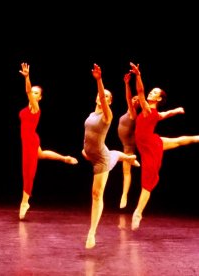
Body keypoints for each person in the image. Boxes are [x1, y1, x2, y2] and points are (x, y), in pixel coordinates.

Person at [129, 62, 199, 231]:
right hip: (150, 143)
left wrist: (138, 76)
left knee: (147, 182)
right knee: (178, 141)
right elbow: (166, 113)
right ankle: (197, 138)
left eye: (154, 92)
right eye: (151, 91)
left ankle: (138, 212)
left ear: (158, 99)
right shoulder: (154, 112)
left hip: (149, 148)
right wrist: (178, 110)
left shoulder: (148, 109)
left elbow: (140, 91)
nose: (150, 93)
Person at [82, 63, 140, 249]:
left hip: (100, 159)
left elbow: (103, 98)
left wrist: (99, 80)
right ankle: (126, 157)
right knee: (112, 153)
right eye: (101, 95)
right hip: (92, 154)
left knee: (96, 194)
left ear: (109, 102)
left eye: (107, 96)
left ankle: (92, 233)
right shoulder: (91, 114)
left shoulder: (107, 115)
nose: (102, 97)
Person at [18, 62, 78, 220]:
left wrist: (27, 77)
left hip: (30, 140)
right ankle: (64, 158)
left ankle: (25, 202)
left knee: (28, 173)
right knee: (42, 154)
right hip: (30, 139)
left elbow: (27, 90)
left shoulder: (35, 107)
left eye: (36, 93)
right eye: (33, 92)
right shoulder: (27, 108)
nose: (32, 93)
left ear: (40, 97)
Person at [117, 72, 140, 209]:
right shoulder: (128, 112)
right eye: (134, 99)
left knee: (126, 171)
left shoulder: (133, 113)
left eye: (138, 100)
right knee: (125, 170)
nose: (135, 100)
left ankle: (124, 195)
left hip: (128, 146)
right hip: (125, 144)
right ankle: (132, 159)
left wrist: (127, 84)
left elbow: (128, 97)